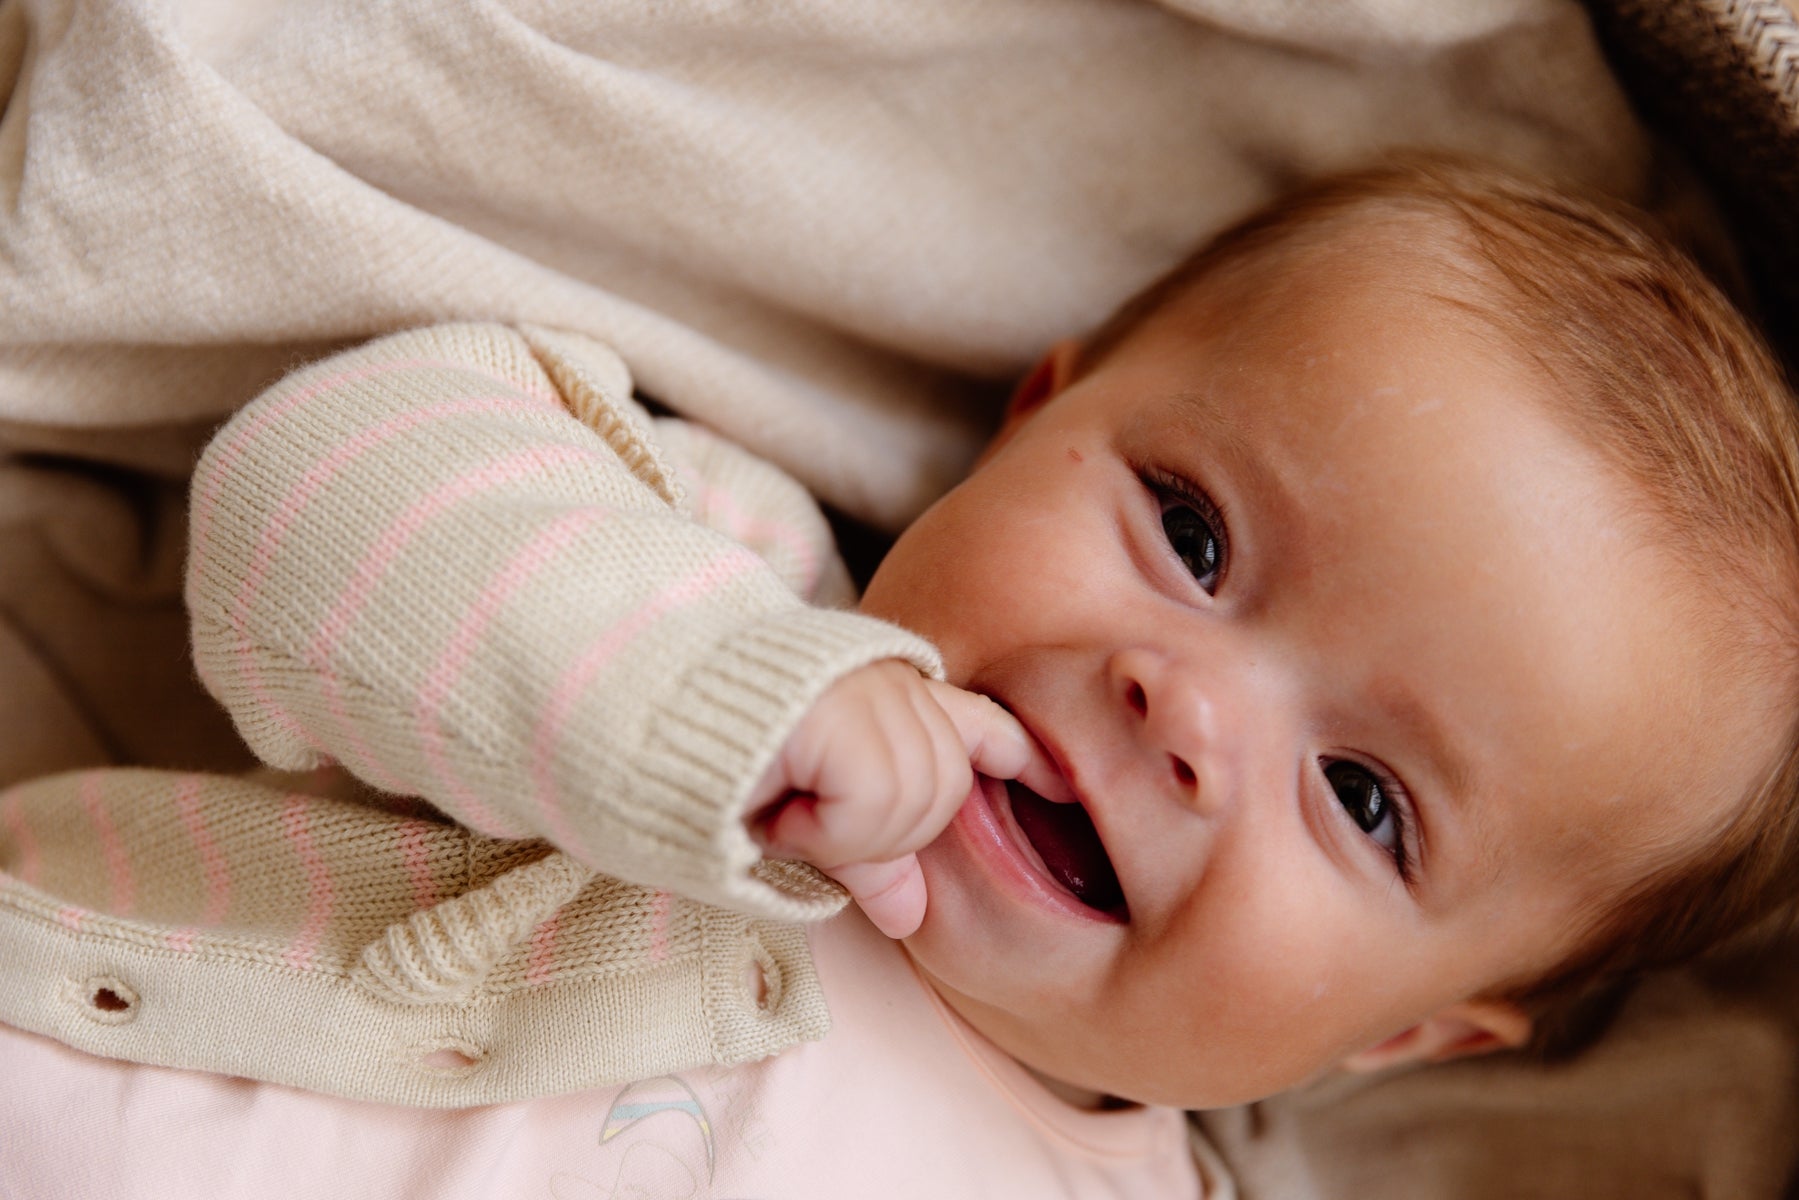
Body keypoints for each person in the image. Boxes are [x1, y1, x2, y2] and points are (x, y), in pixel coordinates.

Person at [1, 155, 1795, 1197]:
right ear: (1037, 417)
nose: (1192, 716)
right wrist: (714, 690)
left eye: (1368, 799)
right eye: (1189, 532)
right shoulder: (714, 572)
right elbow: (310, 496)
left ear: (1402, 1035)